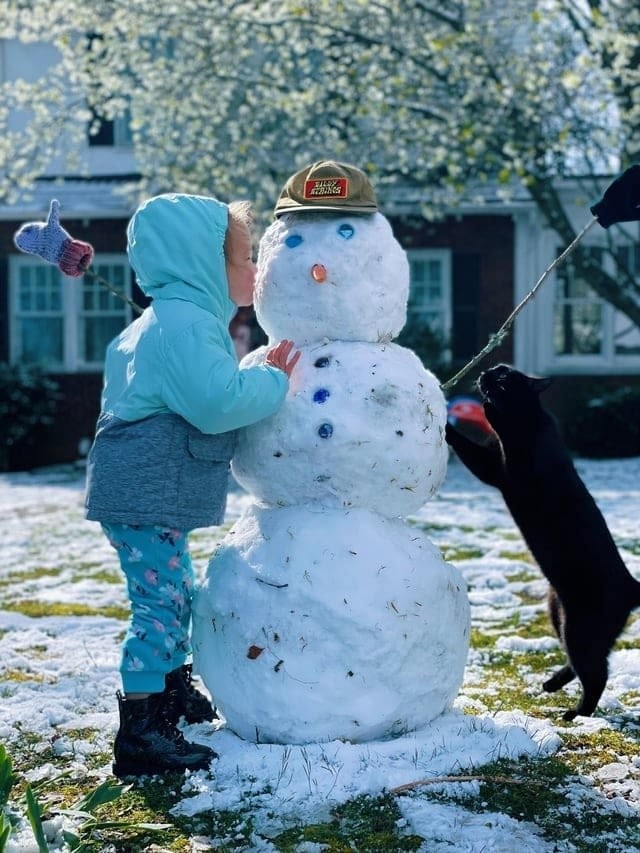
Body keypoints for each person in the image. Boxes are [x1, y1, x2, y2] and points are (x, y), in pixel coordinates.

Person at [84, 192, 300, 777]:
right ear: (204, 265)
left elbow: (195, 388)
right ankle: (141, 731)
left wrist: (248, 368)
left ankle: (170, 692)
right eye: (242, 258)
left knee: (173, 593)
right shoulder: (185, 327)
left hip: (141, 491)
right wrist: (274, 382)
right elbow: (213, 403)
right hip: (145, 491)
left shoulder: (166, 323)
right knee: (158, 606)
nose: (253, 271)